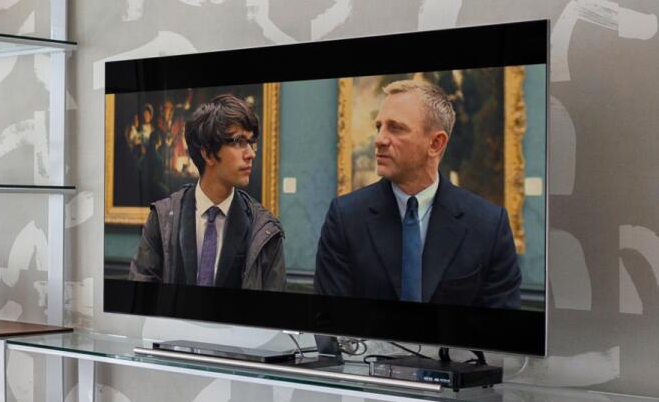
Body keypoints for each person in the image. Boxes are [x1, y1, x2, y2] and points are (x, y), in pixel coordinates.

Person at [311, 77, 524, 309]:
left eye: (396, 128)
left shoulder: (489, 225)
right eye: (378, 127)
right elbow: (330, 322)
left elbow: (500, 331)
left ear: (436, 144)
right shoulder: (345, 217)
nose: (380, 139)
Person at [128, 91, 283, 290]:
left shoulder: (266, 230)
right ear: (208, 154)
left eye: (252, 143)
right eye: (239, 142)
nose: (251, 154)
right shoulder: (162, 218)